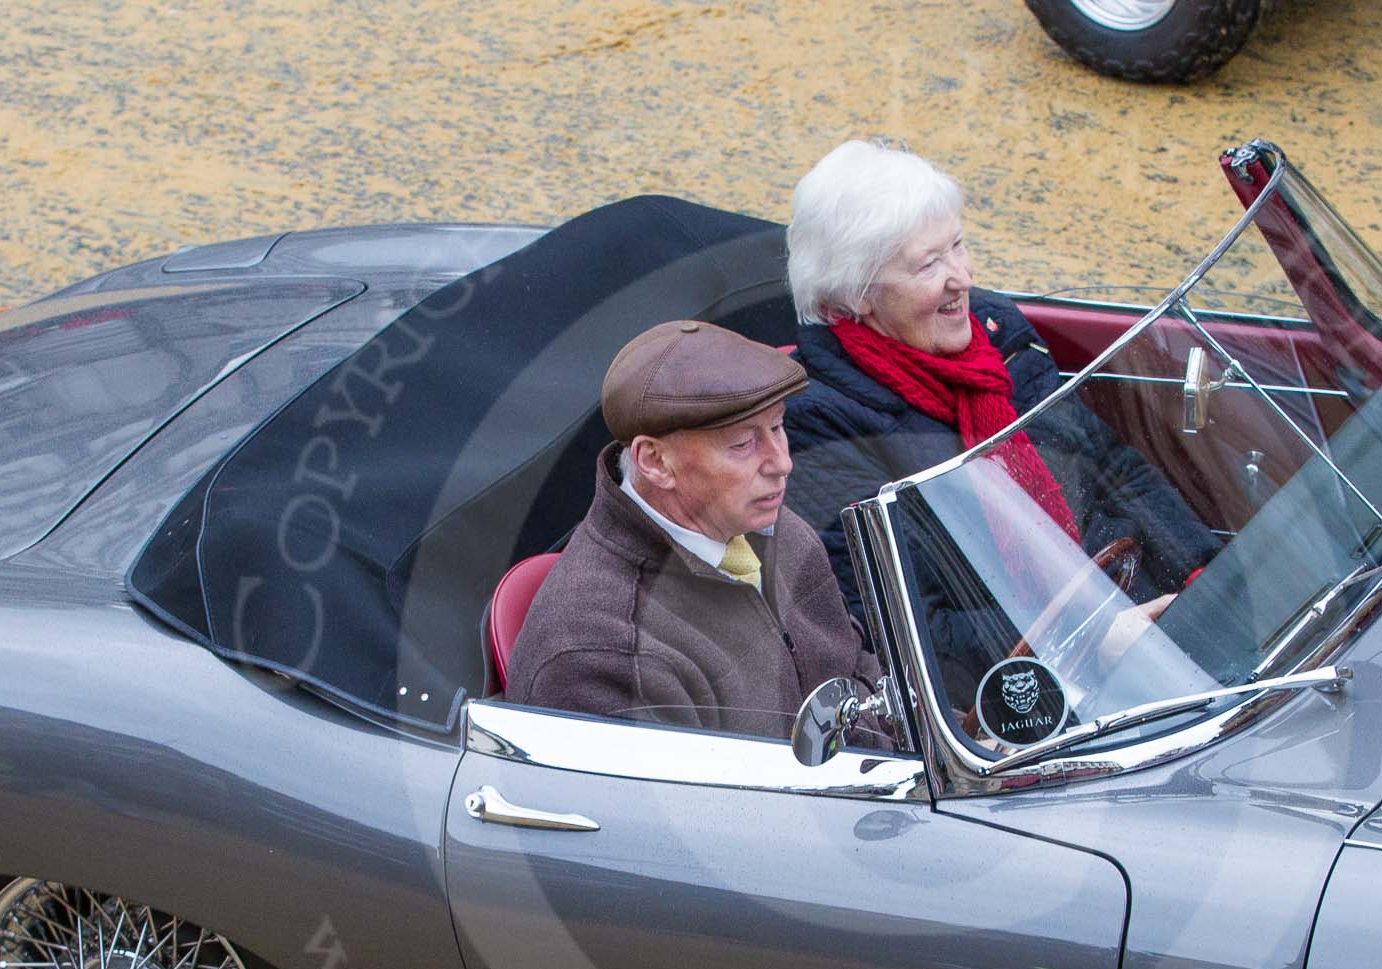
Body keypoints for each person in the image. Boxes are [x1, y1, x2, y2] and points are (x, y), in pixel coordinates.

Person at [781, 139, 1216, 695]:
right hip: (1023, 687)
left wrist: (1204, 579)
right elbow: (904, 631)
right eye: (929, 264)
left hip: (1131, 602)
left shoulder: (995, 331)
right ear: (857, 295)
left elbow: (1112, 466)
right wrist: (1092, 638)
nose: (962, 278)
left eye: (958, 245)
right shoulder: (816, 423)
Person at [505, 319, 889, 745]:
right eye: (743, 444)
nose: (782, 463)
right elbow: (697, 812)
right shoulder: (602, 655)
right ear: (654, 461)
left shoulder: (773, 529)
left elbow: (857, 674)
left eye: (778, 427)